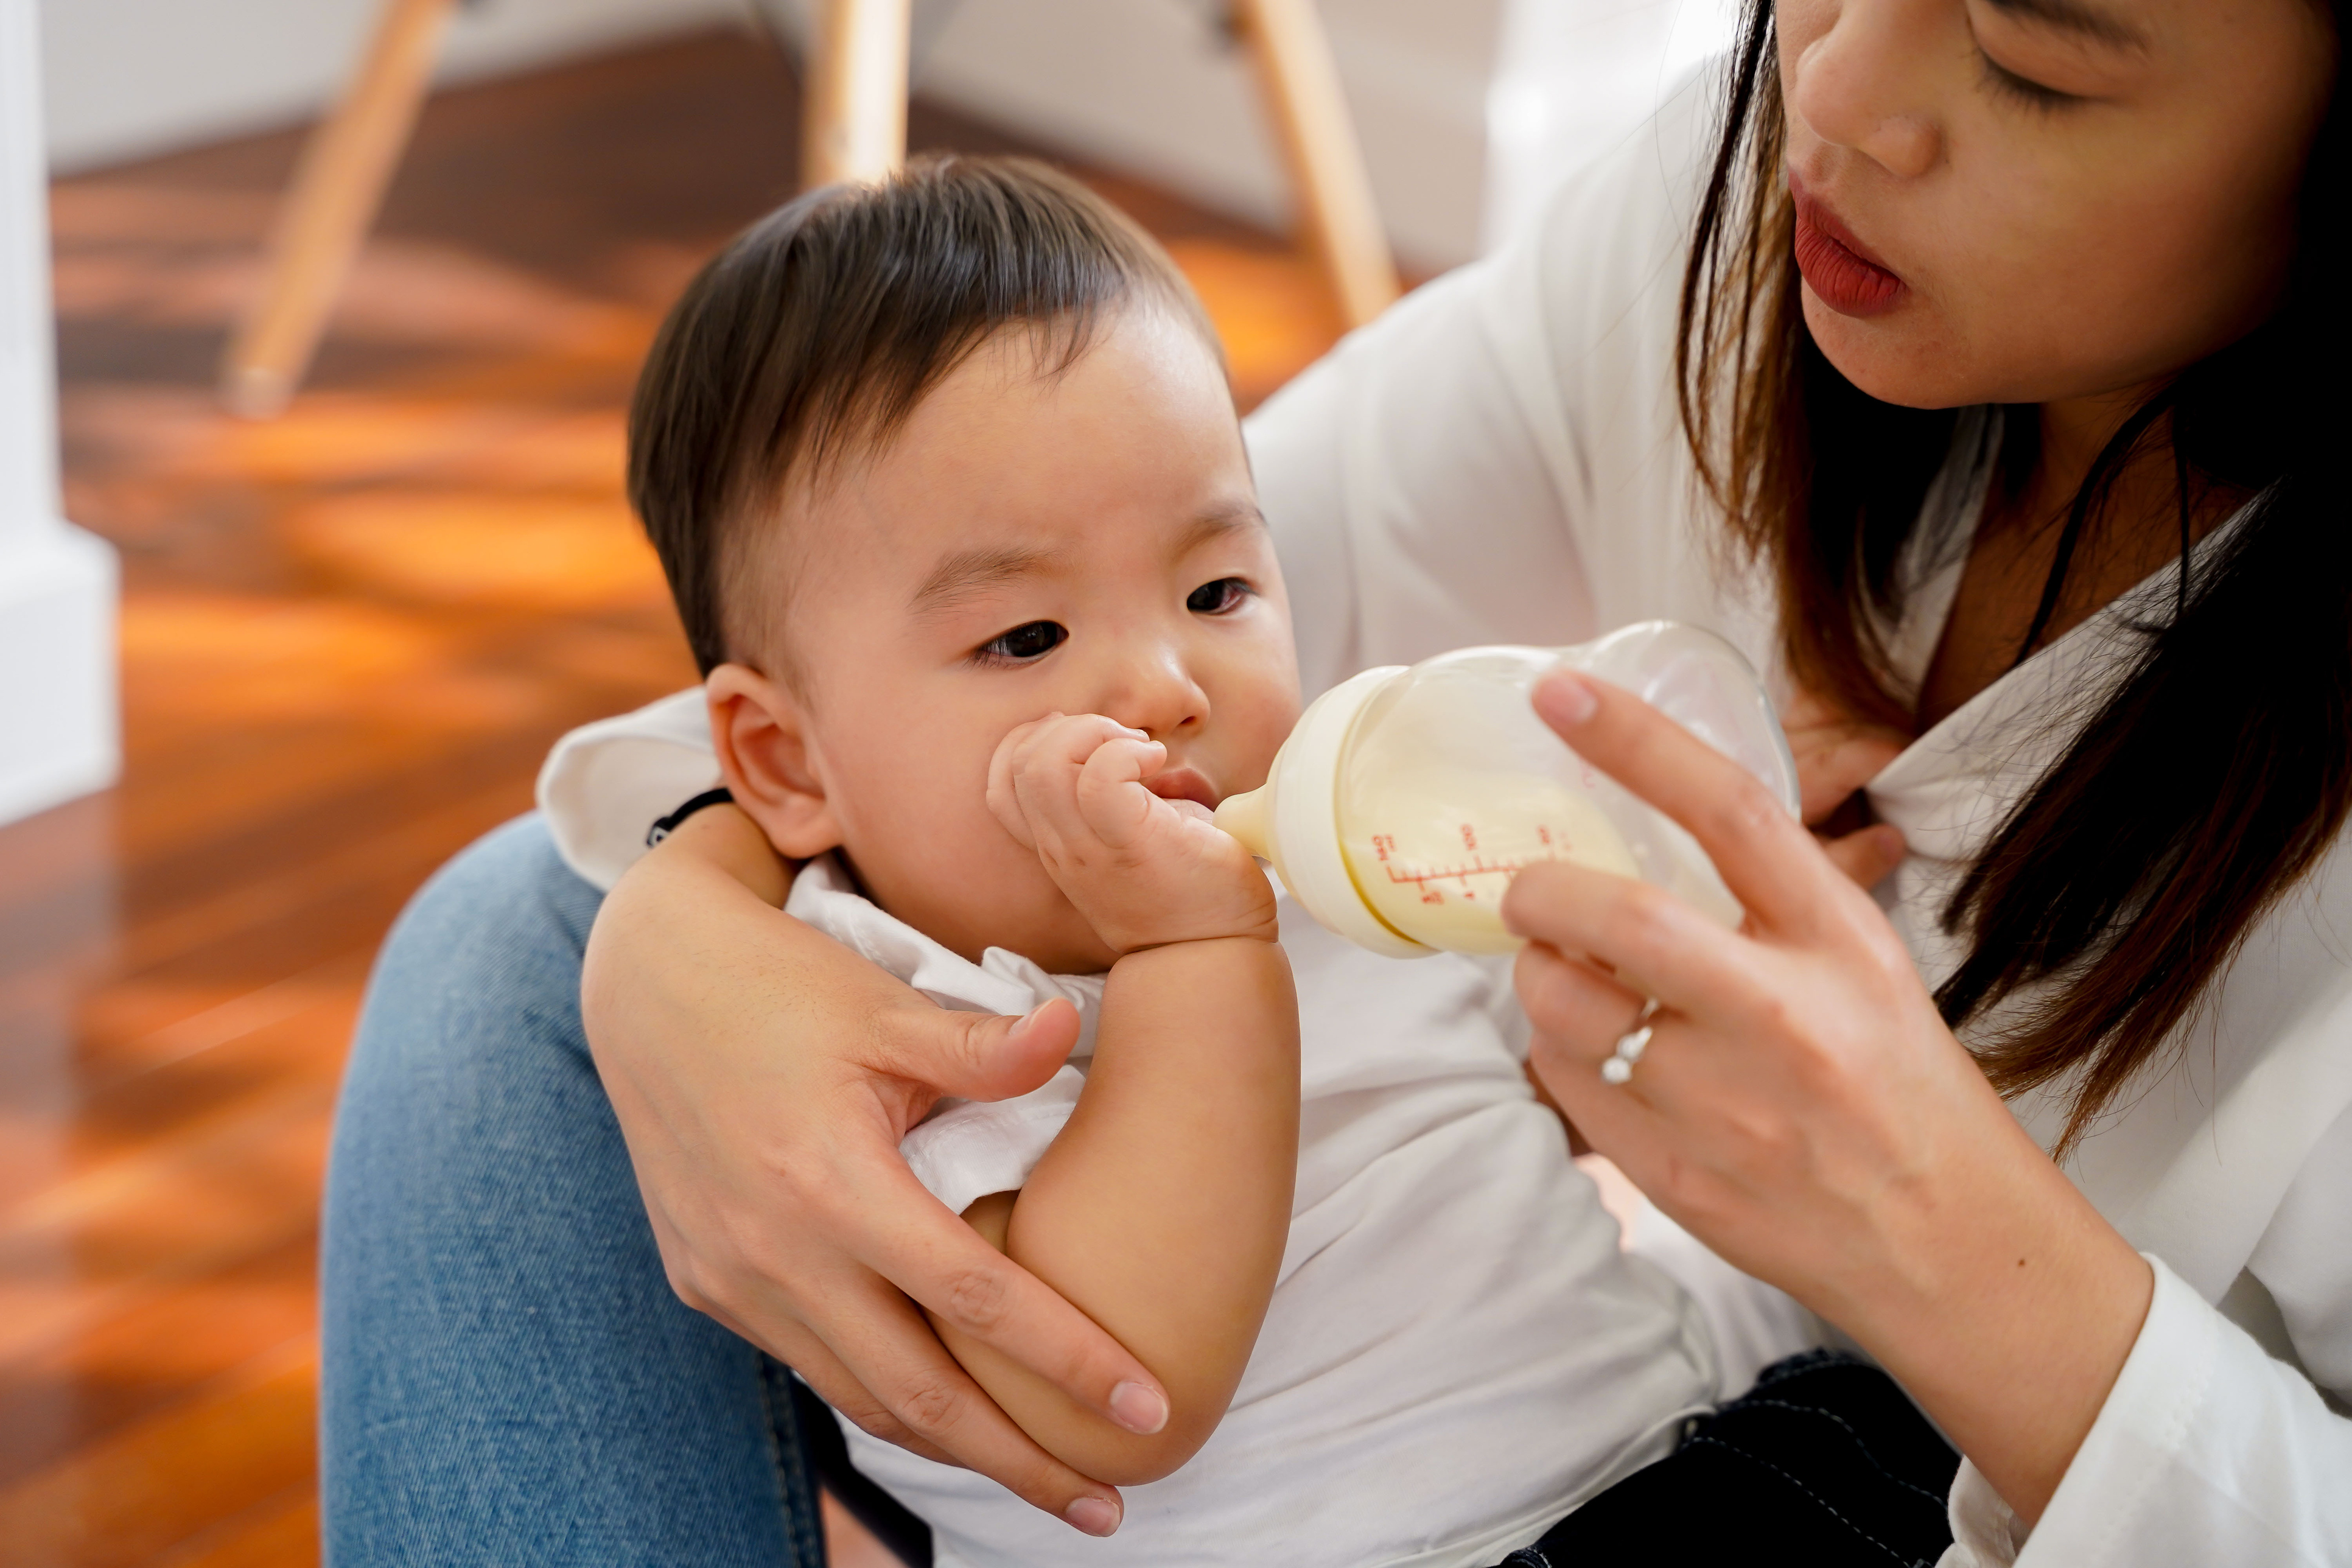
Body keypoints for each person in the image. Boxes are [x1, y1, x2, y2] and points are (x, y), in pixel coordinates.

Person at [320, 0, 2348, 1562]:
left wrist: (1941, 1240)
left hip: (1730, 1444)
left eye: (2034, 60)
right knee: (521, 931)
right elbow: (1121, 1370)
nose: (1832, 100)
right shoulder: (971, 1028)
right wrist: (685, 899)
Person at [570, 155, 1735, 1566]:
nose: (1167, 685)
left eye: (1217, 590)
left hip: (1698, 1458)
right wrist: (1193, 955)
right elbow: (1119, 1393)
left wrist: (1653, 941)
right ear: (785, 764)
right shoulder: (882, 1023)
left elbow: (1508, 1128)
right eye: (1025, 638)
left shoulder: (1333, 860)